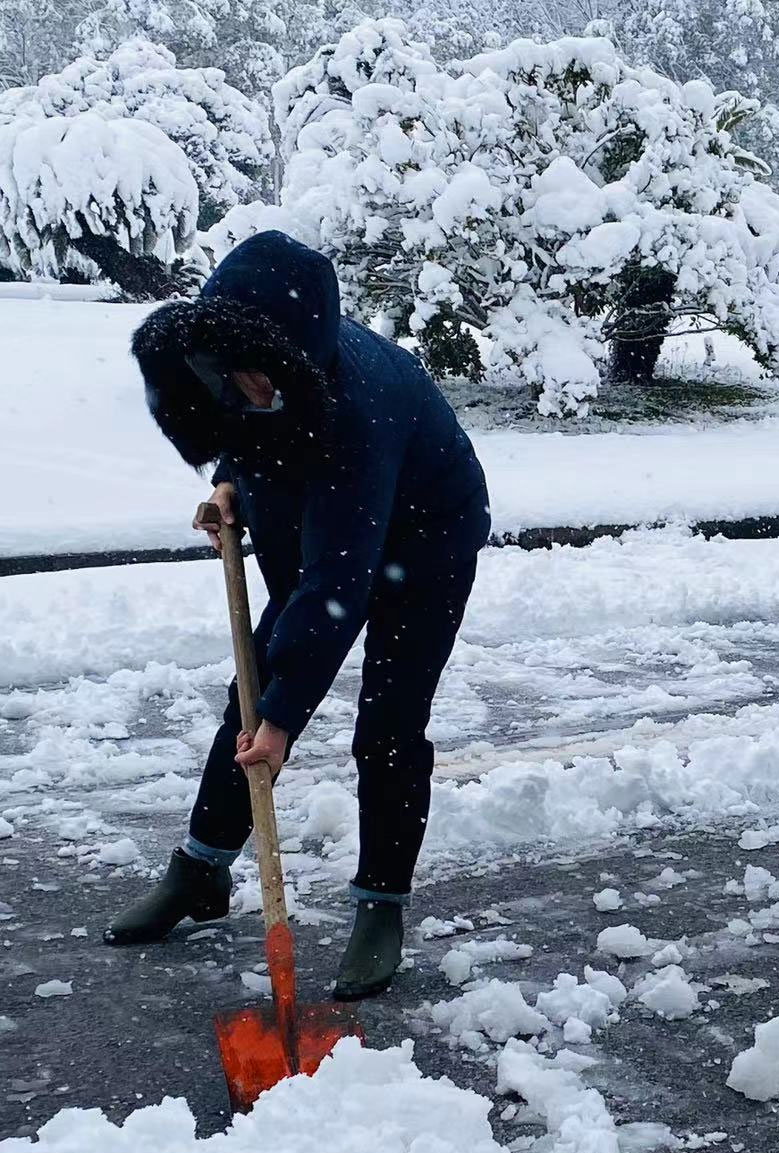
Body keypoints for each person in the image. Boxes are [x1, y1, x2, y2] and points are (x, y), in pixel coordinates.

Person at [104, 231, 491, 1000]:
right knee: (249, 696)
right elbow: (245, 433)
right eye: (229, 375)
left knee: (385, 725)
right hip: (323, 533)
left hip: (426, 539)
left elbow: (337, 584)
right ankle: (200, 870)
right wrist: (228, 486)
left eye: (255, 377)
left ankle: (381, 906)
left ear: (294, 358)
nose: (240, 387)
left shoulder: (361, 407)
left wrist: (283, 722)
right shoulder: (243, 361)